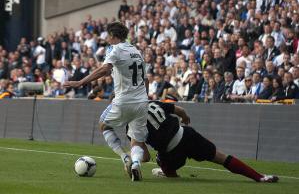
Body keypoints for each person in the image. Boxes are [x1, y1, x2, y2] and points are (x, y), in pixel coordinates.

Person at [64, 21, 149, 181]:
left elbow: (104, 69)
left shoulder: (116, 50)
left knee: (104, 125)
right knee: (137, 139)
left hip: (124, 100)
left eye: (108, 36)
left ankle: (124, 157)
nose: (107, 39)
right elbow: (146, 79)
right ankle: (136, 163)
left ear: (113, 36)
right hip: (142, 101)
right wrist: (145, 98)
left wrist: (81, 82)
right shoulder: (136, 51)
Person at [144, 101, 279, 183]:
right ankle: (260, 177)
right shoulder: (153, 103)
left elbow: (145, 156)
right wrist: (184, 118)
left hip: (170, 151)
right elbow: (181, 111)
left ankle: (166, 171)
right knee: (220, 157)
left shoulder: (132, 122)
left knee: (162, 162)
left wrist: (132, 158)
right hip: (186, 134)